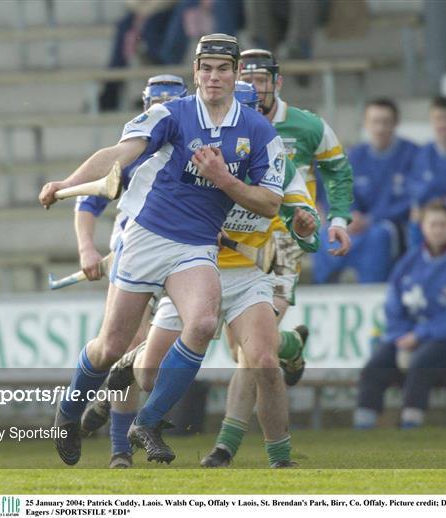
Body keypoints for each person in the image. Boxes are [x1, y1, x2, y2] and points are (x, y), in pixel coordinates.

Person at [39, 34, 286, 466]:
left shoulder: (259, 131)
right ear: (195, 72)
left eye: (223, 69)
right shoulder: (171, 114)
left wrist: (225, 180)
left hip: (196, 244)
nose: (213, 77)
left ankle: (147, 422)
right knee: (111, 346)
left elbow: (269, 203)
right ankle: (70, 410)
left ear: (234, 74)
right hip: (148, 236)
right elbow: (118, 154)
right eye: (205, 68)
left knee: (204, 322)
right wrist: (67, 183)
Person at [81, 81, 317, 469]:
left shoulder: (273, 159)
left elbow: (302, 228)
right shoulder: (186, 153)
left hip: (246, 276)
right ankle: (132, 362)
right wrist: (101, 247)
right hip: (190, 273)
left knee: (261, 359)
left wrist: (307, 228)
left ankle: (280, 458)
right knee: (148, 379)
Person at [198, 48, 353, 467]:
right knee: (242, 352)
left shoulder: (306, 125)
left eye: (263, 79)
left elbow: (338, 169)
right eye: (248, 79)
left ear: (277, 82)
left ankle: (227, 447)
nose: (256, 87)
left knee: (254, 355)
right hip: (238, 246)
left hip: (283, 241)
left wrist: (336, 218)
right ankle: (293, 347)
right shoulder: (221, 127)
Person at [75, 75, 188, 469]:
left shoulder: (195, 148)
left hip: (184, 252)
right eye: (154, 103)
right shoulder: (134, 150)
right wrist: (88, 248)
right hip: (134, 251)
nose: (159, 110)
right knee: (129, 342)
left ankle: (110, 395)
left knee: (168, 347)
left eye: (169, 103)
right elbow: (88, 203)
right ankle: (120, 449)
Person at [353, 201, 446, 429]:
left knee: (422, 361)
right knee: (375, 365)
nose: (437, 230)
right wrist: (403, 336)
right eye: (432, 224)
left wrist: (420, 335)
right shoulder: (408, 263)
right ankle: (363, 427)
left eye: (442, 224)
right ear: (423, 227)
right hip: (408, 337)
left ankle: (410, 425)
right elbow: (393, 306)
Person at [313, 99, 419, 283]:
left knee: (378, 237)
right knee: (326, 235)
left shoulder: (412, 154)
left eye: (386, 122)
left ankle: (374, 292)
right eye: (375, 122)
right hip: (357, 223)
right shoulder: (354, 156)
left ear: (396, 123)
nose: (380, 128)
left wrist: (370, 219)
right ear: (366, 124)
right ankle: (326, 289)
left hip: (392, 225)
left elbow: (412, 200)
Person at [408, 97, 446, 245]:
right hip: (430, 214)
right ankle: (420, 266)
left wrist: (445, 204)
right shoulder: (423, 152)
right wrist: (421, 207)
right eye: (437, 119)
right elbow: (415, 187)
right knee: (415, 220)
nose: (442, 125)